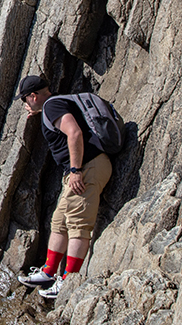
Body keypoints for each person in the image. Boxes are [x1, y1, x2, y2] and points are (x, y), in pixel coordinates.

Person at [16, 75, 113, 299]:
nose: (25, 105)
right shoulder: (54, 104)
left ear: (33, 96)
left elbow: (74, 133)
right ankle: (49, 272)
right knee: (60, 220)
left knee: (79, 223)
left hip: (87, 168)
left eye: (25, 100)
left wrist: (76, 170)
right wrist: (39, 112)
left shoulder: (52, 106)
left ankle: (69, 280)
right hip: (83, 168)